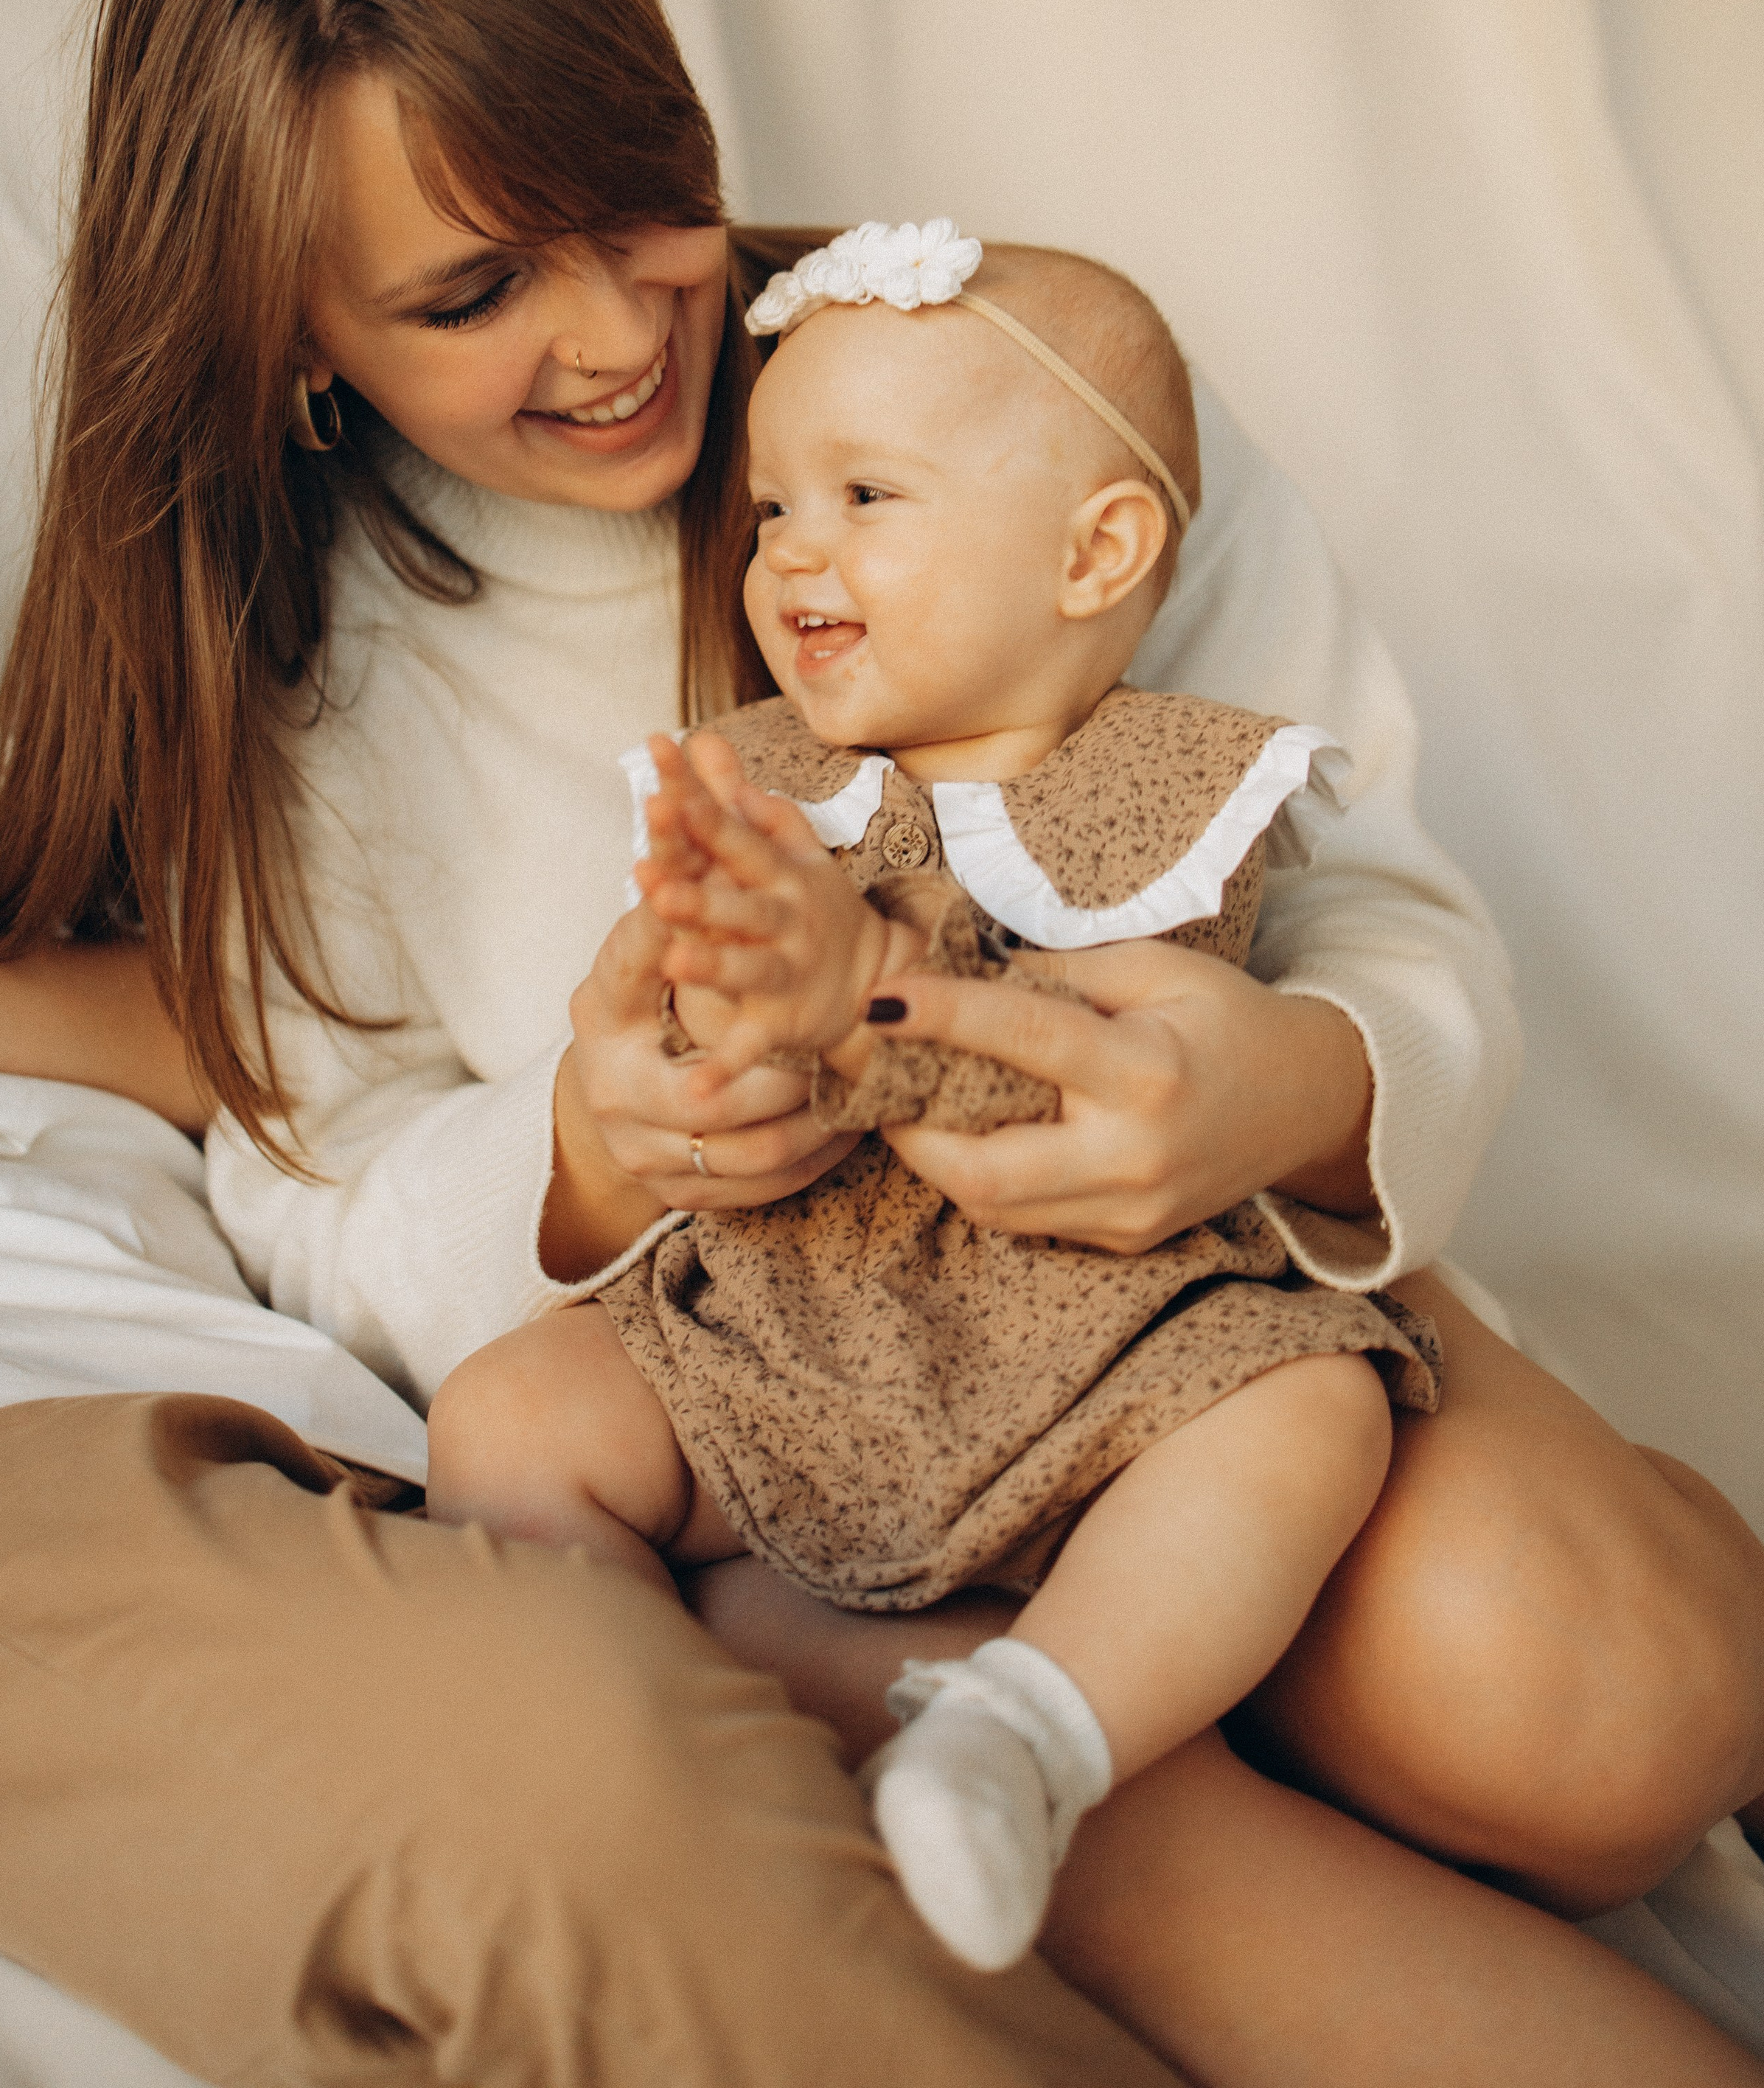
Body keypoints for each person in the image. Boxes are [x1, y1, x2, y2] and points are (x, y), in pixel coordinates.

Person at [0, 0, 1764, 2088]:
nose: (614, 332)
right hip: (763, 1394)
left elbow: (1347, 857)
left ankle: (1046, 1685)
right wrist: (587, 1151)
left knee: (1624, 1712)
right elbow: (301, 1170)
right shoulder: (284, 687)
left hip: (1164, 1297)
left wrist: (1294, 1085)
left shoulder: (1004, 379)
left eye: (643, 197)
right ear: (291, 333)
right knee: (1111, 1832)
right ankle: (989, 1730)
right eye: (476, 293)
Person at [425, 226, 1443, 1974]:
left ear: (1093, 553)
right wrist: (690, 1041)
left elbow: (1094, 1057)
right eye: (767, 514)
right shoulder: (760, 782)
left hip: (1101, 1350)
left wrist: (861, 999)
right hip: (782, 1332)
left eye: (862, 498)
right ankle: (625, 1757)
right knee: (510, 1417)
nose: (789, 555)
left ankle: (1029, 1735)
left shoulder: (1172, 795)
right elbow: (666, 1045)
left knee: (1311, 1417)